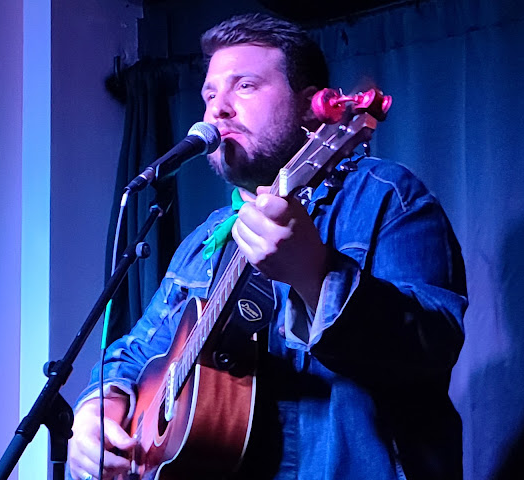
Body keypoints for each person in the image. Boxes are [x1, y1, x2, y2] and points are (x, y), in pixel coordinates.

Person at [67, 12, 468, 480]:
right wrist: (98, 408)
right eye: (210, 94)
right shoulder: (204, 241)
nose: (218, 109)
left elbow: (432, 345)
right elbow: (135, 351)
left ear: (312, 106)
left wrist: (315, 274)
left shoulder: (386, 196)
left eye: (245, 86)